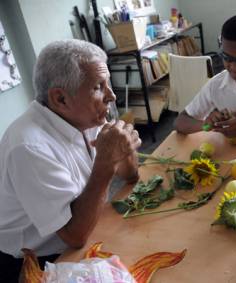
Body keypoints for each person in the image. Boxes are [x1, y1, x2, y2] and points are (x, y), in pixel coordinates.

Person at [0, 39, 141, 282]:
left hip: (83, 231)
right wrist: (106, 163)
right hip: (36, 261)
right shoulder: (28, 147)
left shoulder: (82, 115)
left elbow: (131, 176)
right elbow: (75, 234)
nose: (112, 95)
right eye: (99, 86)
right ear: (60, 99)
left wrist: (123, 146)